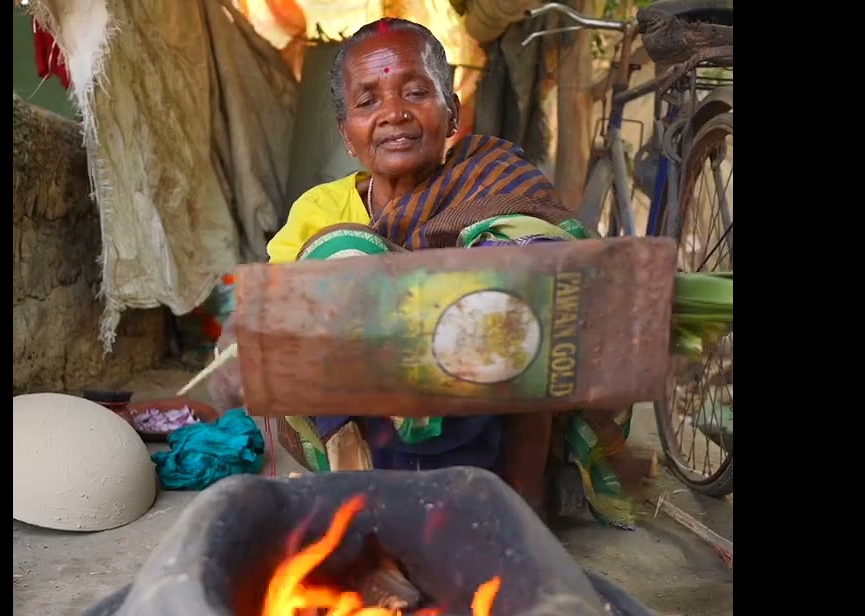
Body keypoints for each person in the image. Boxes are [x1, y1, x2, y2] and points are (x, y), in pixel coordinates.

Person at [210, 17, 635, 527]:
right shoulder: (319, 209)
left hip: (484, 433)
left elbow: (558, 297)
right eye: (368, 102)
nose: (393, 113)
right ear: (347, 136)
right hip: (360, 430)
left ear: (452, 113)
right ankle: (355, 496)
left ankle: (523, 509)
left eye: (415, 91)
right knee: (338, 255)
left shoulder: (492, 180)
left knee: (525, 280)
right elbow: (270, 312)